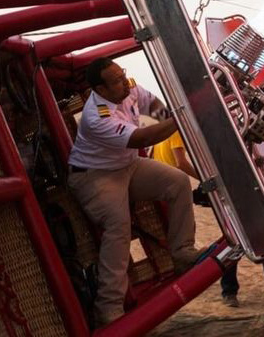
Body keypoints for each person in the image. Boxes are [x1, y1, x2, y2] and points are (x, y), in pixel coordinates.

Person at [67, 58, 203, 327]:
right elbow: (142, 139)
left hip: (126, 166)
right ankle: (108, 308)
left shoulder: (126, 89)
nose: (124, 81)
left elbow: (151, 105)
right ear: (100, 90)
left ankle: (182, 252)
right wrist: (181, 119)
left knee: (177, 182)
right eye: (116, 80)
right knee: (118, 225)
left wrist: (172, 118)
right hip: (95, 176)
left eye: (123, 74)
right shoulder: (97, 117)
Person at [146, 117, 264, 308]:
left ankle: (232, 290)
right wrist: (206, 181)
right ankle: (252, 290)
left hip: (165, 191)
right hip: (199, 187)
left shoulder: (167, 134)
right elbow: (181, 162)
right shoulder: (184, 131)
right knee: (244, 239)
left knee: (236, 239)